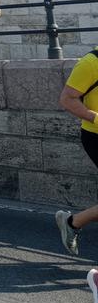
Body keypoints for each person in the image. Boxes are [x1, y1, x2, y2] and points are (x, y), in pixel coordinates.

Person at [54, 45, 98, 257]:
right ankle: (72, 223)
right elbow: (67, 99)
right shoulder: (91, 63)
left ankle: (72, 222)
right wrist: (96, 118)